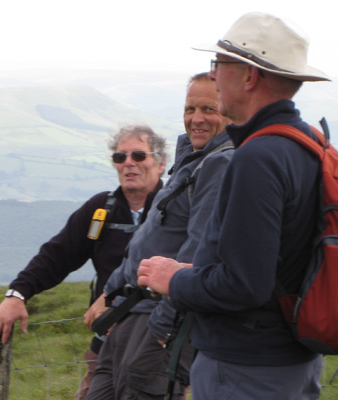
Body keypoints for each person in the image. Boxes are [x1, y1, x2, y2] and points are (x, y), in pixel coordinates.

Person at [137, 12, 331, 400]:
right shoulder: (307, 143)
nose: (214, 77)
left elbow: (245, 285)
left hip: (248, 367)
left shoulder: (257, 157)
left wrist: (173, 278)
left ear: (249, 76)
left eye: (219, 65)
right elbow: (271, 265)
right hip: (291, 357)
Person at [84, 72, 233, 400]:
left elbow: (198, 252)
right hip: (131, 313)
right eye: (189, 108)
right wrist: (109, 295)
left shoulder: (219, 165)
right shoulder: (190, 163)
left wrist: (164, 326)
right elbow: (148, 240)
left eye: (209, 108)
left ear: (230, 110)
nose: (196, 119)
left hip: (159, 316)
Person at [0, 123, 167, 400]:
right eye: (120, 157)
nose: (128, 164)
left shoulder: (176, 211)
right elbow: (58, 255)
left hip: (157, 344)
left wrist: (113, 297)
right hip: (106, 343)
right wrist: (17, 293)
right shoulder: (101, 210)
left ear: (160, 163)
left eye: (138, 156)